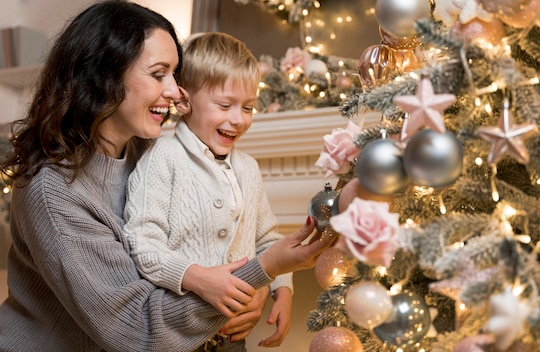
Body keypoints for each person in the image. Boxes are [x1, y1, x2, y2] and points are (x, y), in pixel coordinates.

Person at [0, 1, 333, 351]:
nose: (176, 92)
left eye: (175, 75)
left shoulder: (151, 152)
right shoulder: (53, 191)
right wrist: (261, 270)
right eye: (159, 74)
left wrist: (257, 290)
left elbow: (230, 241)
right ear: (104, 76)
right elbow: (136, 328)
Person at [124, 31, 294, 351]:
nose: (238, 120)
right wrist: (197, 277)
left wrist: (282, 291)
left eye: (248, 107)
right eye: (225, 105)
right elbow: (142, 242)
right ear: (185, 101)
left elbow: (268, 239)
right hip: (178, 338)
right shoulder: (162, 157)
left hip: (233, 339)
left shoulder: (249, 169)